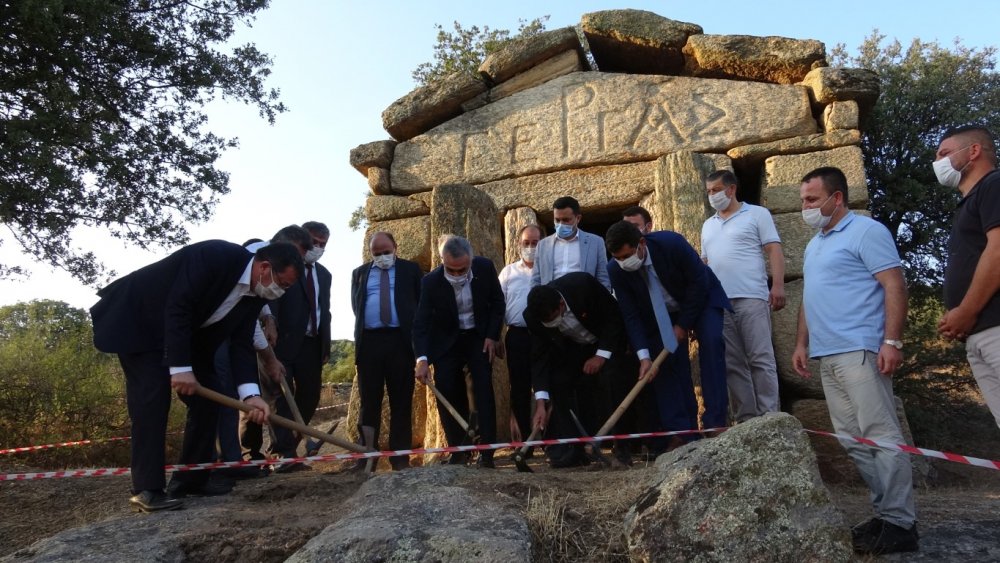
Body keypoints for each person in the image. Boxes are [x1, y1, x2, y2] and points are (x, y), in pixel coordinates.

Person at [90, 241, 303, 512]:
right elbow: (179, 306)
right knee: (152, 400)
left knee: (211, 395)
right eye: (282, 284)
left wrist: (251, 395)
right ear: (264, 268)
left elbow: (240, 342)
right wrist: (179, 368)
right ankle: (147, 489)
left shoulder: (257, 294)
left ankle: (191, 479)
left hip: (187, 335)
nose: (280, 292)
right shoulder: (213, 256)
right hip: (140, 323)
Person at [791, 166, 917, 555]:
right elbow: (811, 297)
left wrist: (892, 341)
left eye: (812, 199)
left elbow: (894, 284)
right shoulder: (815, 243)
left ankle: (901, 523)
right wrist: (800, 343)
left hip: (861, 348)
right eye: (803, 200)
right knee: (853, 440)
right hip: (827, 353)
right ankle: (885, 515)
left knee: (881, 435)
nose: (806, 207)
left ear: (837, 197)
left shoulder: (867, 231)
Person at [606, 220, 732, 433]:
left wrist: (683, 325)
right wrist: (643, 356)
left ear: (641, 243)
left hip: (700, 299)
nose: (623, 262)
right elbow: (631, 314)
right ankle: (681, 431)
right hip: (660, 313)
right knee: (662, 363)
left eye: (627, 256)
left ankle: (715, 422)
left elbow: (698, 282)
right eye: (618, 258)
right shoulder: (616, 270)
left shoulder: (671, 243)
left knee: (711, 342)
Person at [412, 235, 505, 468]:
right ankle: (459, 451)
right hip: (447, 344)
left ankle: (486, 454)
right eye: (450, 270)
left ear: (471, 260)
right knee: (447, 390)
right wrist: (422, 359)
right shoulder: (430, 282)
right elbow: (421, 323)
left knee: (482, 390)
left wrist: (492, 336)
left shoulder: (485, 267)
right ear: (442, 260)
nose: (456, 275)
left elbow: (497, 303)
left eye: (462, 269)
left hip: (478, 338)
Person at [701, 170, 785, 422]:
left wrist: (778, 285)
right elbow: (704, 263)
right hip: (719, 302)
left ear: (731, 189)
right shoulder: (708, 225)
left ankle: (770, 415)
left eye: (716, 190)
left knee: (761, 357)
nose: (712, 196)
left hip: (752, 296)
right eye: (708, 192)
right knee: (733, 363)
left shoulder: (757, 214)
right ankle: (746, 419)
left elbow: (774, 250)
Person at [524, 273, 631, 467]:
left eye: (553, 318)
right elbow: (539, 357)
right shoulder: (532, 316)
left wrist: (601, 355)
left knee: (612, 379)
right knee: (559, 382)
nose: (550, 324)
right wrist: (541, 402)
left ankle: (622, 448)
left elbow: (614, 318)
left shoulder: (582, 286)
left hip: (607, 342)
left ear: (561, 305)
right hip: (574, 350)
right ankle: (575, 449)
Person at [935, 126, 1000, 430]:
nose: (938, 162)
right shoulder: (968, 204)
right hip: (980, 333)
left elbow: (998, 250)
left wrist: (966, 311)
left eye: (944, 153)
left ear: (973, 151)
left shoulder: (994, 185)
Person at [351, 231, 422, 470]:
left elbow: (419, 305)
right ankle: (366, 455)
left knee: (401, 401)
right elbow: (357, 307)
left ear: (395, 248)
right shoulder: (359, 274)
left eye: (386, 252)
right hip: (370, 343)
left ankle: (400, 458)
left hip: (400, 343)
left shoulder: (411, 270)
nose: (382, 256)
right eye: (377, 253)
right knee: (369, 401)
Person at [265, 221, 333, 471]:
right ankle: (283, 453)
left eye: (323, 244)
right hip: (281, 341)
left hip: (311, 344)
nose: (317, 247)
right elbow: (271, 298)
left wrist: (325, 344)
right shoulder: (282, 266)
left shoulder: (324, 275)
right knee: (281, 395)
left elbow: (324, 310)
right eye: (313, 242)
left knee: (310, 394)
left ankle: (292, 442)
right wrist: (269, 325)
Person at [499, 224, 543, 442]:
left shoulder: (548, 270)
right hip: (517, 335)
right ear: (518, 244)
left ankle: (550, 438)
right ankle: (524, 439)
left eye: (535, 243)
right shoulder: (508, 273)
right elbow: (498, 306)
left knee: (546, 384)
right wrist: (496, 336)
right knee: (519, 387)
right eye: (526, 243)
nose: (530, 247)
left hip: (545, 336)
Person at [531, 196, 611, 291]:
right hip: (552, 300)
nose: (561, 224)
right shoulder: (543, 245)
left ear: (578, 218)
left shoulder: (595, 242)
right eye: (557, 220)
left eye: (566, 220)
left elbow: (603, 278)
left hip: (583, 300)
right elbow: (536, 279)